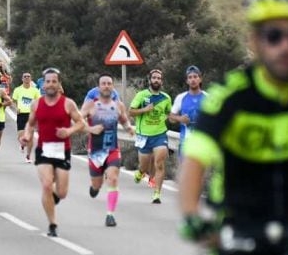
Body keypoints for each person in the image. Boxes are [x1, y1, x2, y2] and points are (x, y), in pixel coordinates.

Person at [179, 0, 288, 255]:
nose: (286, 47)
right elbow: (194, 163)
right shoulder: (229, 99)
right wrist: (192, 216)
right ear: (255, 41)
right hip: (239, 230)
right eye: (274, 35)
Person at [19, 68, 84, 237]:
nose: (50, 84)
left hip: (63, 150)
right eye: (47, 81)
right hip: (44, 149)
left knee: (61, 192)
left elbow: (80, 123)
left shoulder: (68, 103)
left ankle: (52, 198)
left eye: (54, 81)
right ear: (43, 84)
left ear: (58, 84)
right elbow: (30, 124)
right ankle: (52, 223)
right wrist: (26, 135)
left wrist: (69, 132)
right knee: (47, 184)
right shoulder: (37, 104)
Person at [82, 74, 134, 227]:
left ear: (113, 87)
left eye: (109, 83)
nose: (106, 86)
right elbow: (78, 121)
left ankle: (110, 215)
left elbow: (124, 120)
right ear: (99, 87)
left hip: (112, 149)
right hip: (96, 151)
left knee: (113, 178)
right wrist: (90, 128)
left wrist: (129, 128)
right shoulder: (90, 105)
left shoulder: (118, 105)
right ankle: (94, 187)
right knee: (97, 184)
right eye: (103, 84)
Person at [129, 69, 172, 203]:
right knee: (144, 166)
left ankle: (157, 194)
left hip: (160, 135)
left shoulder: (166, 98)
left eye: (159, 78)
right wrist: (144, 110)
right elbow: (131, 111)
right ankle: (141, 172)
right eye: (154, 78)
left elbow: (168, 114)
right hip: (144, 136)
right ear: (149, 80)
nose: (156, 80)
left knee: (159, 164)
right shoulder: (142, 95)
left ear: (162, 81)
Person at [168, 65, 208, 157]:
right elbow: (171, 117)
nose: (193, 80)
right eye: (190, 77)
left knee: (202, 172)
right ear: (187, 81)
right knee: (185, 171)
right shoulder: (181, 98)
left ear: (200, 79)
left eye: (195, 77)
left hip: (203, 143)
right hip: (186, 143)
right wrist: (180, 118)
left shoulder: (207, 97)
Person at [11, 72, 41, 162]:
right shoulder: (17, 90)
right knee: (21, 136)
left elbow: (39, 101)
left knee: (30, 136)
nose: (27, 78)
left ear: (31, 79)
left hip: (31, 115)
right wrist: (16, 108)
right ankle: (22, 145)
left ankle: (28, 156)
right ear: (22, 79)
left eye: (28, 77)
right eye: (25, 76)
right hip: (21, 114)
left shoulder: (35, 90)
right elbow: (13, 101)